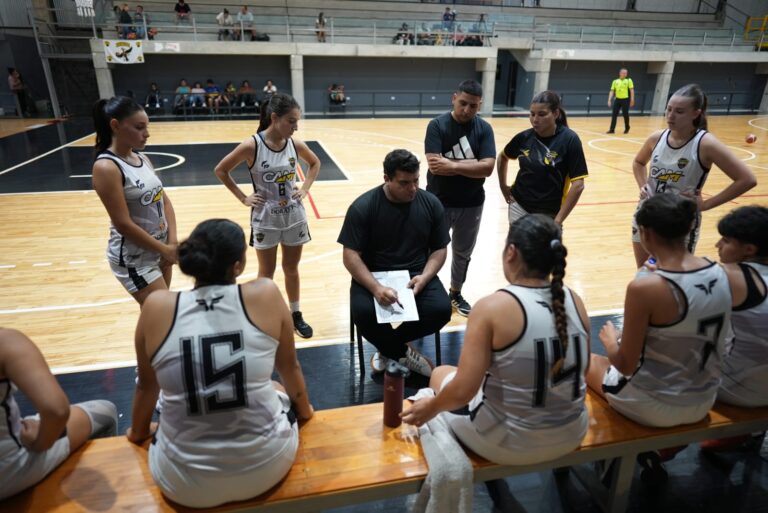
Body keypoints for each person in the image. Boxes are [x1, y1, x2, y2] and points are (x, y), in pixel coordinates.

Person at [127, 219, 313, 508]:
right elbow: (290, 369)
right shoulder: (265, 293)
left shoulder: (156, 305)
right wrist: (306, 413)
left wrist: (137, 433)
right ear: (237, 266)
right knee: (274, 385)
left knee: (169, 397)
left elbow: (146, 388)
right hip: (266, 467)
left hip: (182, 483)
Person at [401, 214, 590, 465]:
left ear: (511, 252)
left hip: (511, 444)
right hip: (573, 432)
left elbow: (463, 392)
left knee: (439, 374)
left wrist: (431, 407)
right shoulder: (575, 300)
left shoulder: (492, 307)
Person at [585, 194, 734, 430]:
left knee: (585, 360)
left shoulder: (645, 288)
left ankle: (612, 460)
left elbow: (625, 365)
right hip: (705, 399)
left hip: (653, 405)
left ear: (644, 232)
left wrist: (610, 341)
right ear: (689, 227)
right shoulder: (721, 271)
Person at [214, 93, 320, 339]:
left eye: (297, 122)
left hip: (293, 215)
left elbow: (315, 164)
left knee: (291, 268)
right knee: (267, 272)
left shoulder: (295, 144)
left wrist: (304, 189)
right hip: (265, 218)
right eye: (291, 121)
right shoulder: (252, 145)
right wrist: (243, 198)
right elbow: (221, 170)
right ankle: (263, 317)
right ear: (274, 118)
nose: (295, 127)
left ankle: (295, 314)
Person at [338, 149, 452, 377]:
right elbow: (350, 255)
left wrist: (425, 277)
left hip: (416, 274)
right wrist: (375, 288)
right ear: (386, 179)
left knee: (441, 310)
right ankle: (402, 353)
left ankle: (387, 348)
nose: (412, 188)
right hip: (374, 276)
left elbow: (440, 249)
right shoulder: (363, 207)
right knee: (363, 314)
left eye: (416, 181)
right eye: (404, 183)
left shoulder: (431, 203)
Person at [630, 83, 757, 268]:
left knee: (673, 276)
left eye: (679, 111)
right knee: (645, 271)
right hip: (647, 214)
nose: (671, 115)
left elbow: (747, 179)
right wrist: (643, 185)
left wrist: (706, 204)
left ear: (696, 113)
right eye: (669, 109)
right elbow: (638, 162)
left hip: (679, 221)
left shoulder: (705, 143)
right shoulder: (656, 138)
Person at [0, 328, 118, 500]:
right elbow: (57, 411)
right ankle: (101, 490)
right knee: (106, 410)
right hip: (9, 472)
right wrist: (41, 442)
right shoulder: (7, 340)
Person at [91, 96, 177, 306]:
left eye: (147, 127)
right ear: (115, 125)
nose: (146, 133)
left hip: (159, 249)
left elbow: (164, 202)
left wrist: (171, 243)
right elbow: (123, 224)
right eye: (139, 127)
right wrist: (163, 249)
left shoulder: (142, 159)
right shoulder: (106, 167)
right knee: (165, 311)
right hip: (135, 259)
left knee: (158, 316)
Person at [424, 79, 496, 317]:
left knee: (463, 253)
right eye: (463, 103)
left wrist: (451, 165)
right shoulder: (437, 125)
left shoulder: (484, 129)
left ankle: (455, 293)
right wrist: (472, 165)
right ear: (454, 98)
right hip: (438, 202)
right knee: (432, 250)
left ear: (480, 105)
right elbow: (435, 166)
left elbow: (488, 168)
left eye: (473, 106)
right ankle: (427, 294)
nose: (466, 110)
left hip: (472, 203)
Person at [497, 90, 588, 228]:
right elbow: (502, 157)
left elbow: (578, 185)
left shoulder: (570, 140)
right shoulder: (523, 137)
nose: (535, 119)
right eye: (532, 114)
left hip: (549, 214)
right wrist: (503, 187)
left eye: (542, 114)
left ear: (556, 114)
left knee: (544, 250)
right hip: (519, 207)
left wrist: (557, 221)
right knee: (518, 249)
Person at [714, 206, 768, 407]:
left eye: (726, 240)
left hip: (738, 389)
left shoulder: (728, 275)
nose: (717, 244)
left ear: (749, 250)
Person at [606, 68, 634, 134]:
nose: (625, 74)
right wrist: (609, 100)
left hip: (625, 99)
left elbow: (631, 90)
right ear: (620, 73)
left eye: (626, 73)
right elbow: (612, 91)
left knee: (625, 114)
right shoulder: (615, 81)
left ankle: (627, 128)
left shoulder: (628, 80)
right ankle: (612, 129)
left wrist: (632, 99)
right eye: (623, 73)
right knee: (614, 114)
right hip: (617, 99)